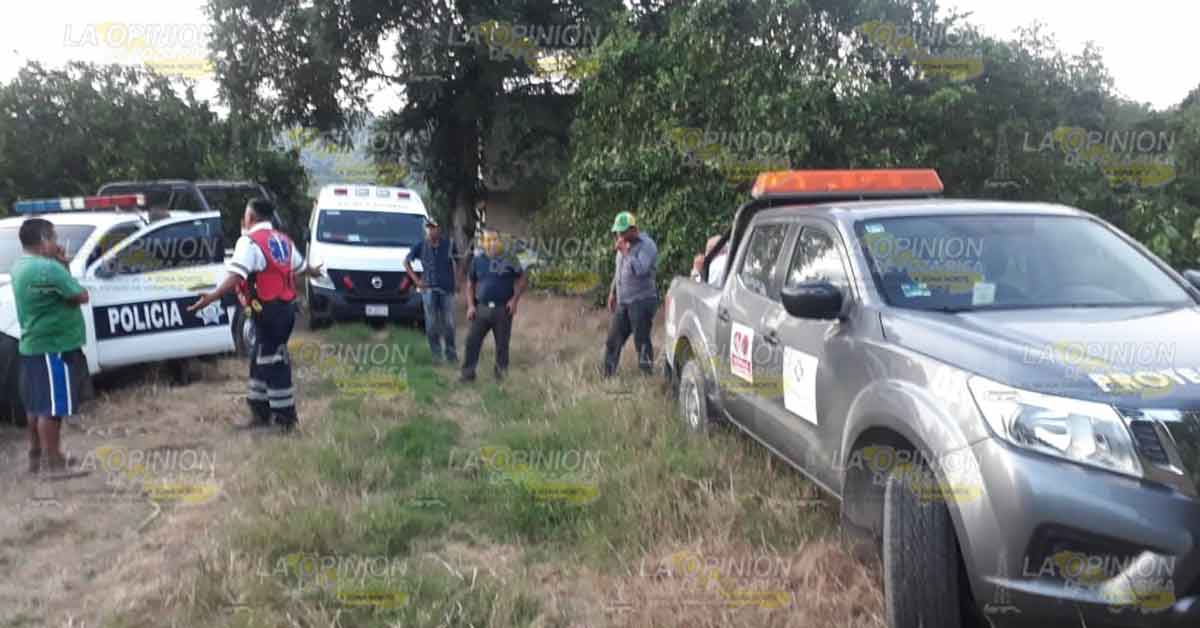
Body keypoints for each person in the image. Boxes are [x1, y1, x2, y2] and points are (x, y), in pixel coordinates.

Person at [188, 199, 322, 432]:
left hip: (268, 311)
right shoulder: (284, 240)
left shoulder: (249, 242)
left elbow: (237, 275)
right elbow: (300, 268)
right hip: (285, 310)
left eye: (245, 216)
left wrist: (213, 295)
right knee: (259, 358)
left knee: (273, 361)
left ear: (250, 218)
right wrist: (314, 271)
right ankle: (260, 413)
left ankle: (285, 421)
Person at [11, 218, 91, 475]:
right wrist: (63, 266)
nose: (57, 243)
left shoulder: (20, 265)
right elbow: (80, 295)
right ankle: (54, 462)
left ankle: (36, 456)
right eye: (54, 238)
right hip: (54, 344)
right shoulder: (48, 269)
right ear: (44, 241)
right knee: (53, 408)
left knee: (36, 405)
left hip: (33, 344)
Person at [460, 230, 526, 383]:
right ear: (483, 243)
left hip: (503, 309)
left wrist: (514, 301)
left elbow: (522, 279)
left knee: (502, 346)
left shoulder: (510, 259)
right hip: (481, 309)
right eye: (488, 240)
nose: (492, 243)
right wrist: (470, 306)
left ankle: (501, 378)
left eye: (495, 240)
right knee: (472, 342)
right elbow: (470, 283)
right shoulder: (477, 260)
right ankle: (467, 375)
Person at [604, 211, 659, 376]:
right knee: (613, 340)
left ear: (633, 229)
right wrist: (612, 292)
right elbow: (618, 271)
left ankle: (646, 377)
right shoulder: (622, 245)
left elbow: (641, 270)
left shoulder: (647, 245)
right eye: (617, 232)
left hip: (642, 301)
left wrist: (626, 253)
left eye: (622, 231)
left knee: (641, 342)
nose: (619, 235)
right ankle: (607, 376)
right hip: (623, 302)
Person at [405, 217, 459, 364]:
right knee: (431, 324)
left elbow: (457, 262)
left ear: (439, 229)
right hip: (428, 289)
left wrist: (457, 281)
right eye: (428, 228)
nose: (431, 230)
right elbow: (406, 262)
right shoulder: (420, 246)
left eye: (433, 227)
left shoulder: (449, 244)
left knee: (449, 323)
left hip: (447, 289)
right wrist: (416, 281)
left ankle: (451, 354)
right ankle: (436, 355)